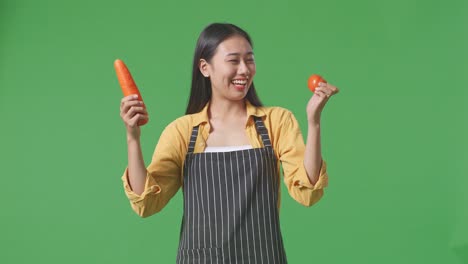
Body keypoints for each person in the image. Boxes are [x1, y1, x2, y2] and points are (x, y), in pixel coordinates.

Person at [119, 23, 339, 264]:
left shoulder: (276, 122)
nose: (244, 69)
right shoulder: (182, 132)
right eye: (233, 60)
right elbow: (147, 202)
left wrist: (314, 122)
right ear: (205, 67)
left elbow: (307, 192)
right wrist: (133, 138)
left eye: (249, 60)